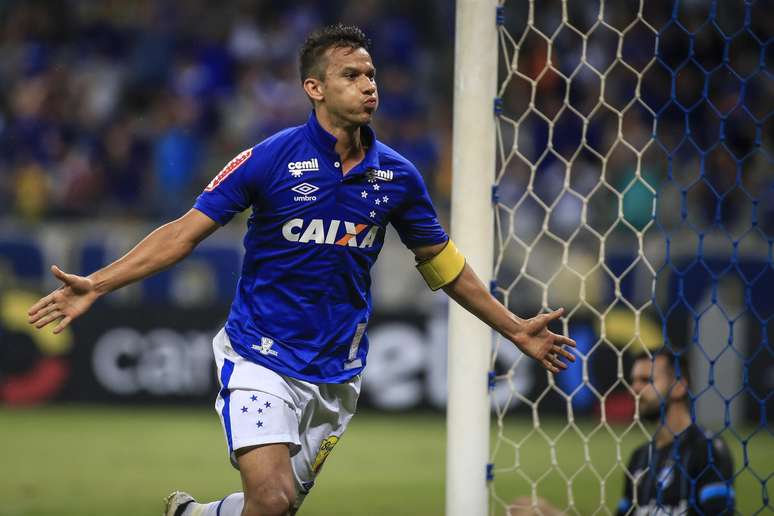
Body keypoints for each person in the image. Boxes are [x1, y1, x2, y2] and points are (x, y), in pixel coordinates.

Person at [27, 24, 576, 516]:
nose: (369, 86)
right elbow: (183, 233)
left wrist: (512, 326)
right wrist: (97, 282)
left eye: (372, 74)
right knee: (272, 497)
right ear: (314, 88)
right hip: (259, 356)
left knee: (272, 508)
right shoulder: (268, 158)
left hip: (337, 373)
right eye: (351, 75)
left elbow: (442, 263)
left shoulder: (399, 177)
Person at [509, 349, 735, 515]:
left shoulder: (707, 450)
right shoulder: (641, 458)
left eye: (646, 380)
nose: (635, 388)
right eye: (633, 380)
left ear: (679, 386)